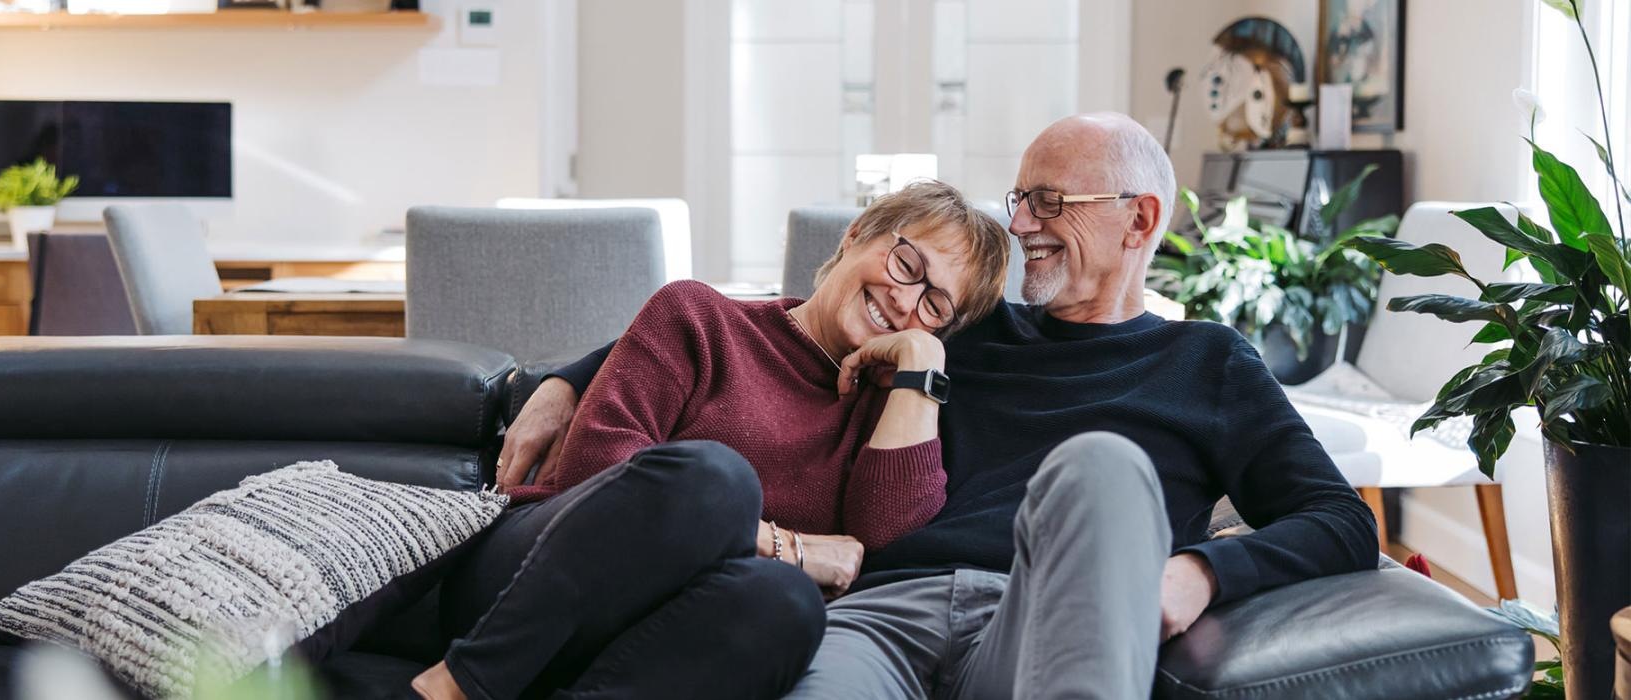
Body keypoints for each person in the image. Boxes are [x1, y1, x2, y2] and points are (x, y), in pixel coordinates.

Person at [507, 112, 1380, 698]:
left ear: (1139, 219)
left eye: (1052, 202)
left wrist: (1203, 571)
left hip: (1043, 615)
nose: (1024, 223)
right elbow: (770, 326)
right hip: (877, 615)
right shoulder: (957, 324)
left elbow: (1340, 519)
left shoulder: (1207, 362)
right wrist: (564, 376)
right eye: (1021, 198)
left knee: (1103, 463)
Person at [411, 180, 1012, 700]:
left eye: (935, 306)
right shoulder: (700, 317)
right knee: (712, 479)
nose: (905, 300)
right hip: (536, 579)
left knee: (786, 607)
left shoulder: (892, 414)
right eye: (906, 265)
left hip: (670, 632)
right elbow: (597, 477)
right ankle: (461, 684)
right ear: (856, 235)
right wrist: (790, 548)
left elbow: (881, 547)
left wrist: (919, 364)